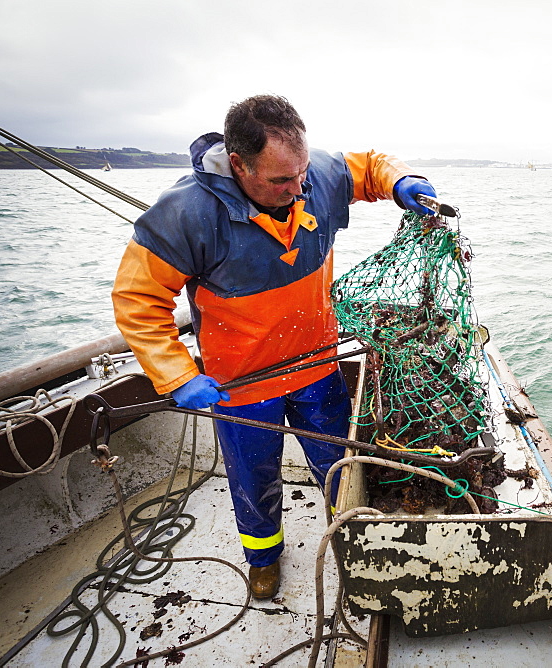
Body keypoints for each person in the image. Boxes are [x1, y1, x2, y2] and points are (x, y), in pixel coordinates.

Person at [112, 94, 437, 599]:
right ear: (238, 165)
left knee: (339, 466)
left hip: (316, 366)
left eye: (301, 173)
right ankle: (263, 559)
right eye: (282, 181)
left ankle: (353, 546)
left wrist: (402, 181)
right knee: (253, 478)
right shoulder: (183, 214)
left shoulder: (315, 176)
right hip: (241, 385)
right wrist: (177, 375)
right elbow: (137, 299)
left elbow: (370, 166)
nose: (298, 187)